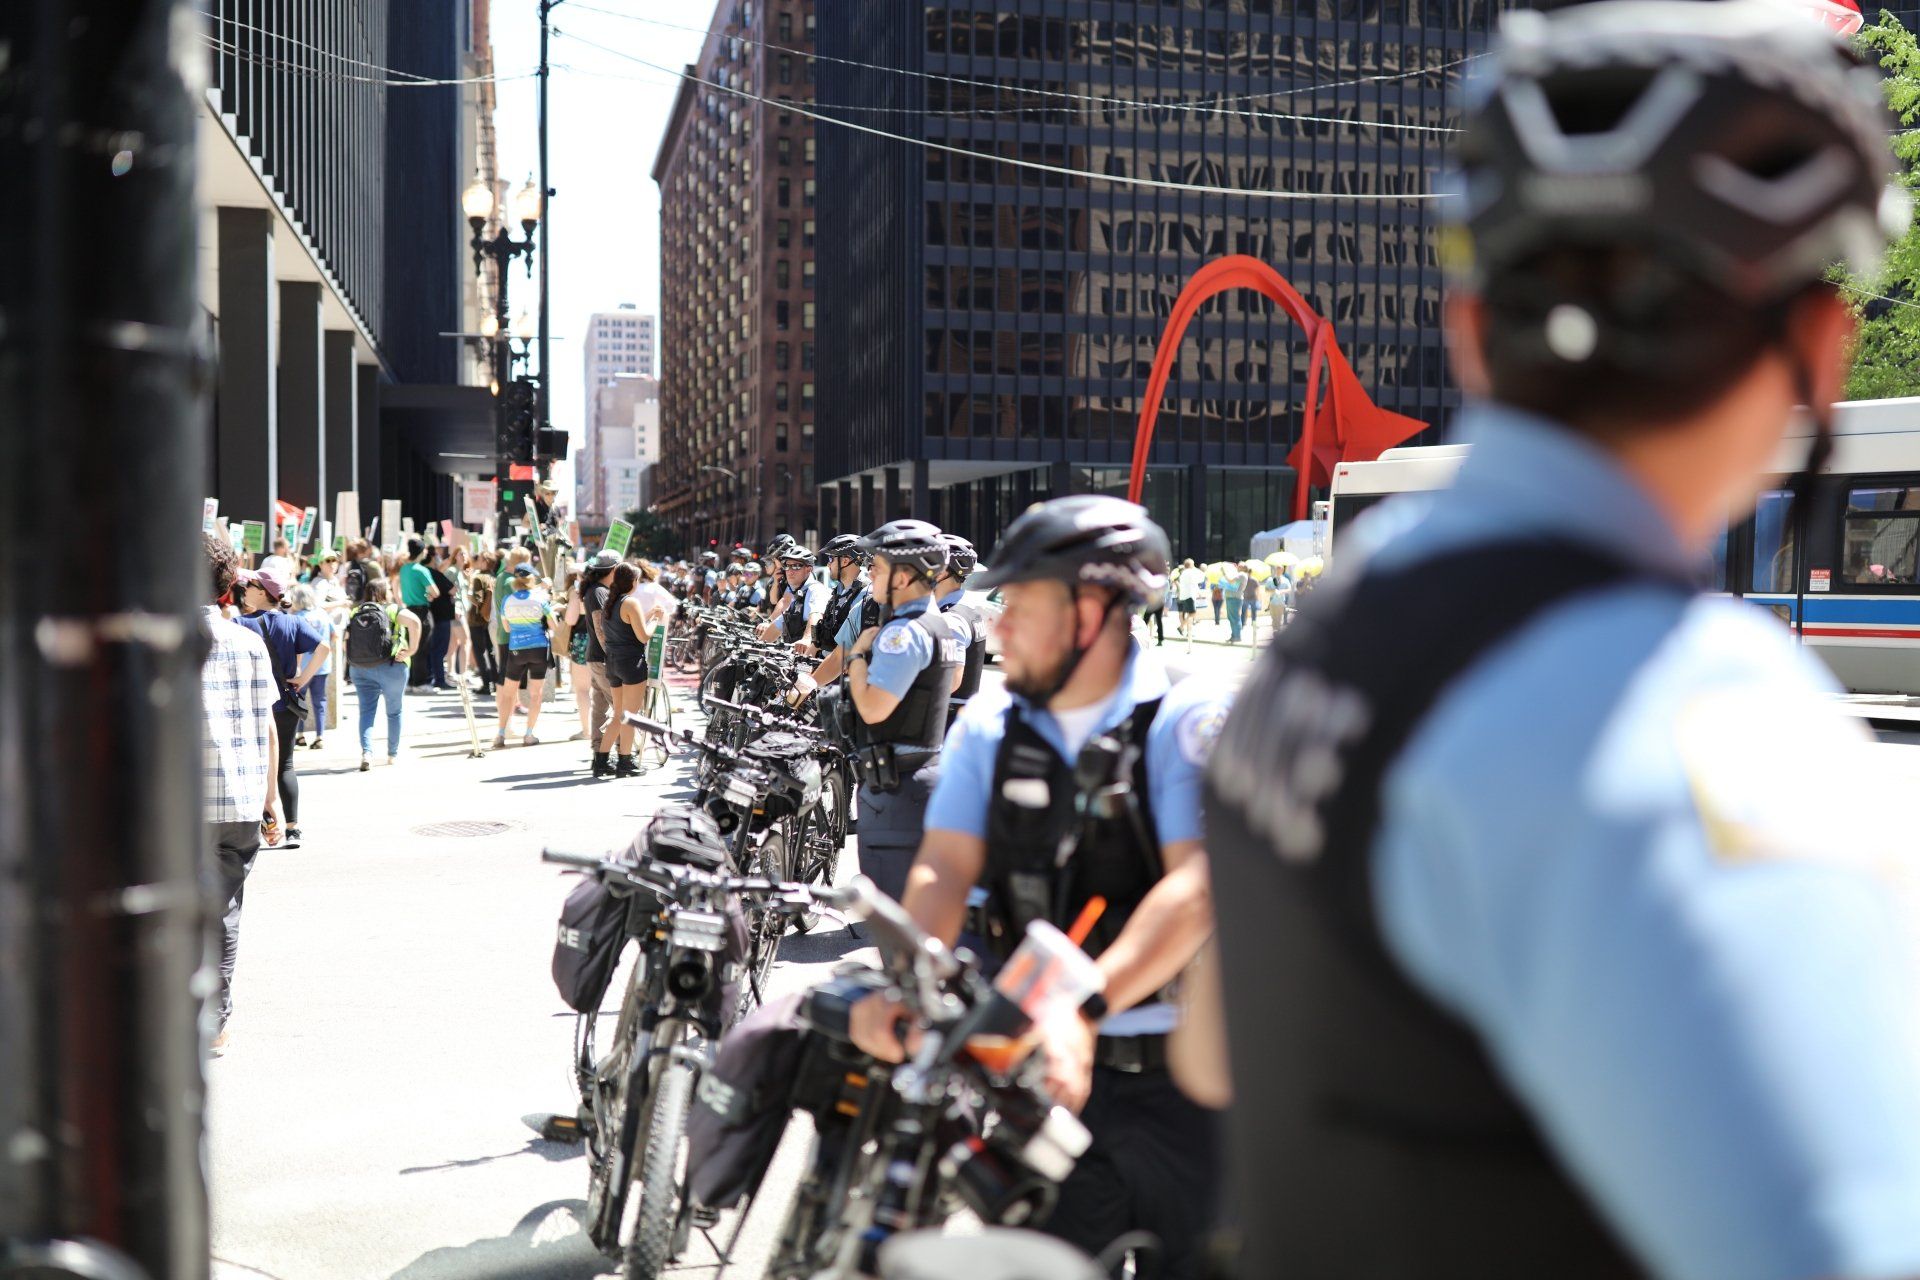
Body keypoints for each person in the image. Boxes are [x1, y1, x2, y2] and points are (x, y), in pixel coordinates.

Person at [1199, 5, 1920, 1277]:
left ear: (1471, 328)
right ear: (1821, 354)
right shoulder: (1693, 718)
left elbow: (1213, 1047)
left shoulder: (1335, 631)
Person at [846, 497, 1227, 1277]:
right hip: (1038, 1082)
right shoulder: (993, 726)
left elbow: (1194, 889)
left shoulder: (1184, 716)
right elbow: (943, 865)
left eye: (1020, 605)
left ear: (1091, 613)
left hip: (1182, 1087)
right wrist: (906, 981)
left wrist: (1081, 1009)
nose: (999, 626)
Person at [838, 520, 961, 901]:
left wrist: (857, 656)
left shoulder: (901, 633)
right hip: (921, 777)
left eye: (877, 567)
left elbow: (873, 709)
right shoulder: (937, 623)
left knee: (891, 908)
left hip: (896, 788)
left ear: (903, 577)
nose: (870, 574)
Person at [200, 532, 280, 1056]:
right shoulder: (248, 642)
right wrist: (273, 802)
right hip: (239, 800)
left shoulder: (156, 642)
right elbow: (268, 726)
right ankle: (213, 1024)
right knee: (224, 913)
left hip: (174, 803)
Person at [234, 567, 329, 849]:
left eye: (250, 585)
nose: (245, 589)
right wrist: (303, 678)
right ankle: (292, 829)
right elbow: (324, 648)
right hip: (285, 702)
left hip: (253, 704)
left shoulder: (240, 624)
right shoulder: (293, 622)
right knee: (285, 764)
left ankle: (263, 825)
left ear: (263, 593)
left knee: (252, 765)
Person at [344, 576, 421, 770]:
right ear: (383, 592)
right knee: (394, 711)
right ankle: (392, 754)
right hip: (392, 666)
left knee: (366, 712)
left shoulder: (355, 611)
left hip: (360, 668)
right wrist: (411, 650)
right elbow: (415, 622)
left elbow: (347, 640)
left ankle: (367, 753)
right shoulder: (392, 610)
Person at [592, 562, 653, 778]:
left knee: (618, 714)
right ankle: (625, 761)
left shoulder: (611, 602)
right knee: (630, 716)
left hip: (613, 662)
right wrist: (655, 620)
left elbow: (627, 627)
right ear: (632, 581)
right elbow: (643, 636)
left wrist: (648, 616)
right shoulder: (631, 602)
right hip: (631, 663)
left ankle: (601, 761)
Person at [495, 562, 552, 748]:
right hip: (539, 648)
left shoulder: (507, 600)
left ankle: (501, 734)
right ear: (532, 579)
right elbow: (554, 625)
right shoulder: (540, 598)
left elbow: (506, 628)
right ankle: (529, 734)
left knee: (508, 694)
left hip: (516, 649)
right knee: (536, 694)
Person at [932, 533, 988, 710]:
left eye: (929, 564)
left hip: (946, 717)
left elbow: (951, 682)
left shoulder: (951, 619)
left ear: (942, 572)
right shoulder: (967, 609)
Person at [287, 584, 338, 750]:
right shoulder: (322, 613)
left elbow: (294, 644)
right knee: (320, 700)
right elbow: (335, 635)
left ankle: (300, 735)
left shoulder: (297, 618)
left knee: (299, 700)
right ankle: (320, 736)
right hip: (322, 665)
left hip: (302, 667)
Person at [759, 545, 829, 646]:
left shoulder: (816, 590)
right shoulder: (797, 593)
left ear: (809, 569)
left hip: (814, 653)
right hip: (794, 653)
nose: (790, 571)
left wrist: (807, 638)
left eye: (796, 566)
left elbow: (817, 616)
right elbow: (779, 623)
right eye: (787, 566)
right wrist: (758, 643)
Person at [398, 538, 440, 690]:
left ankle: (409, 681)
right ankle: (420, 682)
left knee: (410, 646)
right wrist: (428, 595)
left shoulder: (404, 569)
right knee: (422, 647)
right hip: (421, 612)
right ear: (421, 551)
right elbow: (435, 592)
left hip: (407, 610)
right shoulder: (422, 570)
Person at [423, 545, 458, 691]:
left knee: (433, 649)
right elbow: (453, 589)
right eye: (436, 555)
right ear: (432, 558)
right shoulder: (434, 574)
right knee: (439, 649)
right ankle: (439, 679)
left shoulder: (425, 572)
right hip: (441, 616)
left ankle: (433, 677)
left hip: (430, 615)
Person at [468, 551, 500, 696]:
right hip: (491, 619)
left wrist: (470, 597)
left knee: (480, 652)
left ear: (485, 562)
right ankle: (496, 682)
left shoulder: (479, 578)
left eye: (479, 559)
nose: (476, 562)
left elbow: (477, 600)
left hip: (477, 620)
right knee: (491, 651)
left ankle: (487, 684)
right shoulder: (495, 577)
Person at [341, 539, 379, 605]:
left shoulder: (348, 566)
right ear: (368, 550)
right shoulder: (373, 565)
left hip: (352, 603)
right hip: (369, 604)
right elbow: (381, 586)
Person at [1175, 558, 1205, 640]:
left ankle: (1186, 630)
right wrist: (1195, 568)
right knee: (1192, 614)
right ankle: (1182, 627)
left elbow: (1194, 583)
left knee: (1190, 614)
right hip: (1189, 596)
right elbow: (1202, 577)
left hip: (1185, 596)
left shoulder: (1184, 573)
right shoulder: (1190, 572)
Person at [1220, 563, 1243, 643]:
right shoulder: (1235, 575)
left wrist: (1224, 573)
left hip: (1234, 598)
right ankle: (1234, 636)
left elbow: (1231, 583)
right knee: (1232, 618)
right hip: (1231, 598)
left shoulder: (1237, 575)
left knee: (1234, 618)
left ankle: (1237, 636)